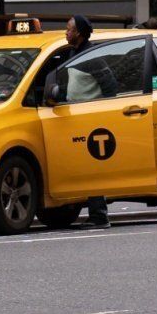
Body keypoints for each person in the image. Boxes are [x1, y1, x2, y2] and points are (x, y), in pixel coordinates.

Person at [44, 15, 110, 228]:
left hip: (90, 117)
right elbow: (75, 86)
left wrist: (99, 109)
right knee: (82, 166)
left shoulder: (92, 57)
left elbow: (111, 86)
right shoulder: (73, 54)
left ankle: (99, 215)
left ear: (79, 33)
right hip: (76, 115)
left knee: (91, 167)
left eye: (69, 29)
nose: (66, 32)